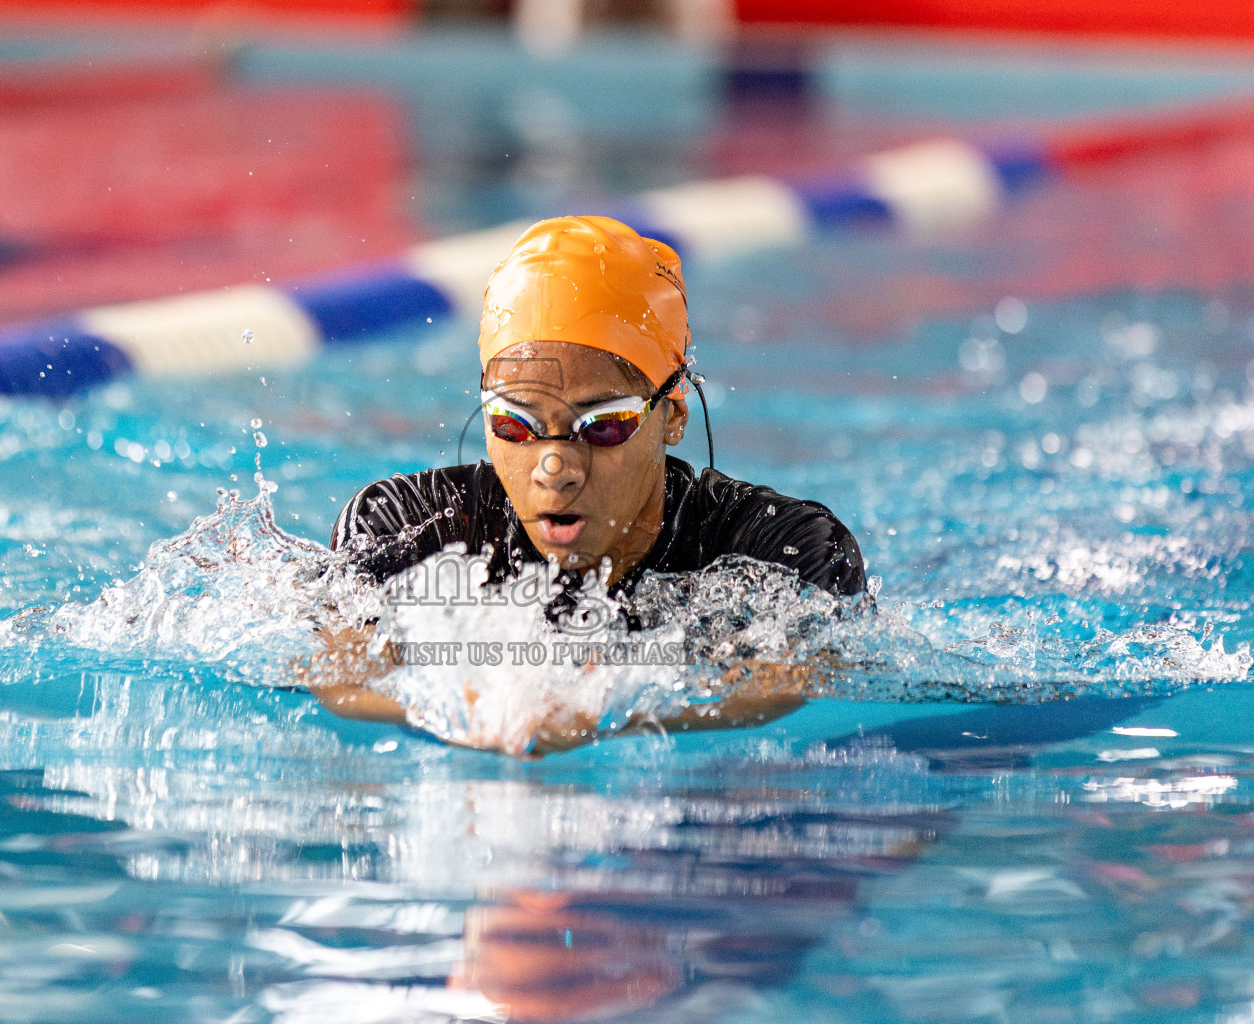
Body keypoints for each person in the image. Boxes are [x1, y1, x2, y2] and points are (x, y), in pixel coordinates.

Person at [307, 215, 866, 752]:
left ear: (672, 413)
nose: (555, 468)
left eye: (601, 426)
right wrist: (459, 709)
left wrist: (611, 718)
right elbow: (341, 676)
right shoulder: (408, 525)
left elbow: (792, 680)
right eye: (513, 424)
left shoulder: (781, 547)